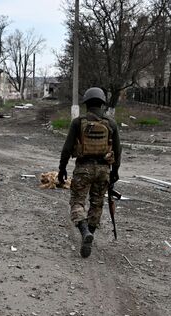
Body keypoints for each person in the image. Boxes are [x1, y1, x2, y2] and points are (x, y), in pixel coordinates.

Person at [58, 87, 121, 258]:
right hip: (103, 170)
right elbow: (117, 150)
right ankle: (90, 233)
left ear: (86, 103)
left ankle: (85, 231)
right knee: (97, 203)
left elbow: (67, 148)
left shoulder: (78, 122)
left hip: (83, 168)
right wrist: (115, 172)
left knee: (77, 202)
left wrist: (61, 168)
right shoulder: (111, 123)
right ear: (102, 103)